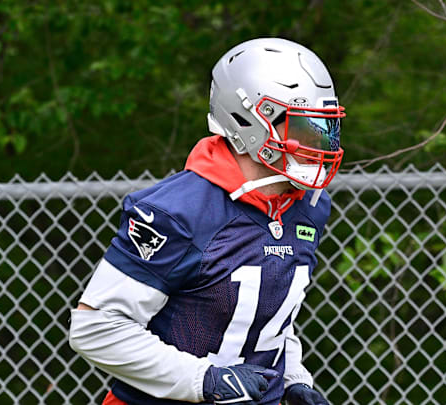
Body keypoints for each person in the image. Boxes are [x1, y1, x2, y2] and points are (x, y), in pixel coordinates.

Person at [69, 37, 345, 405]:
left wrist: (294, 378)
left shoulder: (308, 206)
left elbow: (263, 318)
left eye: (322, 128)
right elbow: (97, 328)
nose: (317, 142)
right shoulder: (181, 210)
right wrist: (203, 380)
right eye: (301, 127)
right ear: (247, 120)